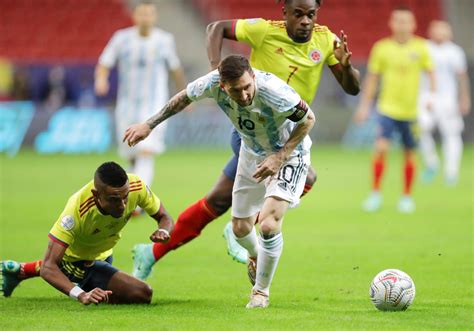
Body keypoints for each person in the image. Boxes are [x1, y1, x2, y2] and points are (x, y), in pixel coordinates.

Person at [131, 0, 360, 280]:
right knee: (306, 177)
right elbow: (216, 28)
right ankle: (248, 222)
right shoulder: (263, 30)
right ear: (284, 13)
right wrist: (217, 73)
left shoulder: (327, 40)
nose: (304, 21)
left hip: (289, 131)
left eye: (310, 15)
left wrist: (347, 68)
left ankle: (152, 254)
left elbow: (352, 88)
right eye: (298, 14)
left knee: (216, 201)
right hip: (251, 127)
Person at [124, 55, 315, 308]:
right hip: (251, 152)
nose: (245, 95)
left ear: (253, 77)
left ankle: (260, 293)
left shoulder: (275, 92)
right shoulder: (211, 83)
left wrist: (280, 157)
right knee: (240, 229)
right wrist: (149, 125)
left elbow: (308, 119)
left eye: (248, 87)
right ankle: (256, 255)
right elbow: (182, 98)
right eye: (236, 90)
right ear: (223, 86)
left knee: (268, 225)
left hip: (289, 155)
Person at [1, 162, 174, 305]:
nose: (122, 206)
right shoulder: (76, 211)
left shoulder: (136, 185)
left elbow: (164, 216)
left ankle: (21, 270)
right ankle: (27, 271)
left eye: (125, 197)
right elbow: (48, 267)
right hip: (77, 263)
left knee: (114, 291)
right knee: (142, 294)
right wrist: (80, 294)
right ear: (96, 194)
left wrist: (163, 230)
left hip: (104, 255)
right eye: (114, 199)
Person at [95, 1, 186, 191]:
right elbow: (104, 62)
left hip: (155, 104)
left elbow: (175, 69)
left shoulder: (164, 40)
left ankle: (138, 198)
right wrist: (101, 80)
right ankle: (130, 191)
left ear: (155, 17)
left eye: (149, 14)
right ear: (135, 16)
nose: (145, 18)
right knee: (131, 153)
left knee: (146, 150)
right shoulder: (121, 38)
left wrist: (184, 95)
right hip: (127, 104)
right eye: (142, 14)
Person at [355, 6, 435, 213]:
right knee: (381, 148)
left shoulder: (422, 47)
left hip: (411, 111)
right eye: (398, 21)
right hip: (387, 108)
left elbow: (431, 74)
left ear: (413, 24)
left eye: (406, 21)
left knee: (410, 153)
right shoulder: (381, 48)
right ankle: (375, 193)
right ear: (391, 23)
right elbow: (372, 79)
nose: (402, 25)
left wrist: (431, 98)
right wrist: (364, 107)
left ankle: (406, 197)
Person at [418, 20, 471, 186]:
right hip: (426, 95)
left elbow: (462, 78)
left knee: (452, 134)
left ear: (450, 33)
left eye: (443, 30)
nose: (440, 33)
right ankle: (431, 163)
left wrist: (464, 98)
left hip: (448, 98)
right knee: (419, 129)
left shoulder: (455, 52)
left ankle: (451, 172)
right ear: (430, 31)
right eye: (436, 29)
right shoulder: (423, 48)